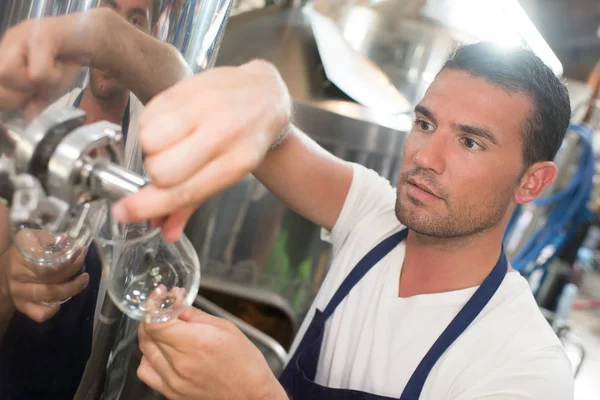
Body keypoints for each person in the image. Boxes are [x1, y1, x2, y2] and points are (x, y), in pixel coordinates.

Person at [0, 11, 575, 400]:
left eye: (470, 141)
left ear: (533, 181)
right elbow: (243, 126)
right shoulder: (374, 220)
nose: (427, 156)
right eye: (425, 123)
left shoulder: (523, 369)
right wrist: (103, 37)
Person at [0, 2, 186, 399]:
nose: (113, 38)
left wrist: (106, 36)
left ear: (152, 34)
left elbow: (189, 90)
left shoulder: (160, 134)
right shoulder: (36, 126)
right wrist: (9, 279)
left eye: (133, 20)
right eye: (106, 11)